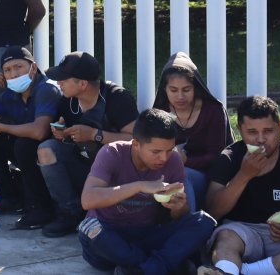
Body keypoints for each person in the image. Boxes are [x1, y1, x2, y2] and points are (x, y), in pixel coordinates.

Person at [78, 108, 216, 274]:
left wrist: (178, 207)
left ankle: (141, 269)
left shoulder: (173, 160)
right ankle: (158, 266)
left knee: (204, 221)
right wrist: (140, 185)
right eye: (156, 152)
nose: (163, 158)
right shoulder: (112, 153)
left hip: (146, 234)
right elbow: (87, 200)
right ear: (136, 144)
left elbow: (181, 216)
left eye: (169, 150)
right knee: (91, 228)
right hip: (109, 236)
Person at [39, 51, 140, 237]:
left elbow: (137, 141)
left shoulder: (118, 97)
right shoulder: (67, 100)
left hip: (115, 173)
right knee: (46, 150)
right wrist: (62, 133)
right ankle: (70, 212)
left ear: (83, 84)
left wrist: (95, 135)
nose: (58, 83)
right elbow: (68, 136)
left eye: (63, 79)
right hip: (84, 163)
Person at [0, 46, 61, 229]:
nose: (13, 74)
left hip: (54, 152)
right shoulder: (10, 93)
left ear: (33, 68)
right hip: (27, 148)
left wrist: (2, 127)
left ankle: (40, 208)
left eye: (18, 67)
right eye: (7, 70)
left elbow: (39, 132)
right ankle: (10, 198)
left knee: (24, 145)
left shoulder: (46, 89)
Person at [201, 96, 280, 275]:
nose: (260, 139)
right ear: (240, 130)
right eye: (252, 132)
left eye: (268, 131)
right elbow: (212, 211)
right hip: (242, 230)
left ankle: (243, 271)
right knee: (225, 239)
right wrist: (244, 175)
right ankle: (230, 269)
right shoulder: (230, 157)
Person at [151, 52, 232, 213]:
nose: (180, 96)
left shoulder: (213, 110)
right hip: (165, 176)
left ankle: (191, 227)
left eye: (186, 89)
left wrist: (185, 161)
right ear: (164, 89)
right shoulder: (160, 112)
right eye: (173, 90)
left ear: (195, 88)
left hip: (208, 178)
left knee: (183, 176)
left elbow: (218, 155)